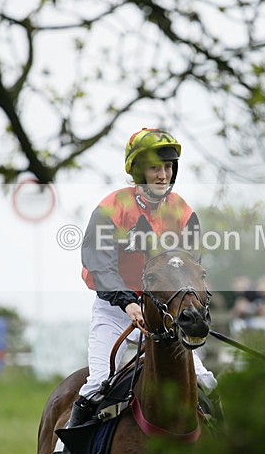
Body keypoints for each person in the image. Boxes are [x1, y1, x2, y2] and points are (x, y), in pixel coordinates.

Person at [68, 127, 218, 428]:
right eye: (154, 167)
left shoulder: (182, 212)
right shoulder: (113, 208)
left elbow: (190, 267)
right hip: (115, 313)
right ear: (138, 171)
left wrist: (192, 307)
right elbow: (100, 264)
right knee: (97, 383)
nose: (163, 174)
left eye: (167, 167)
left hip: (163, 315)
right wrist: (127, 304)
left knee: (205, 381)